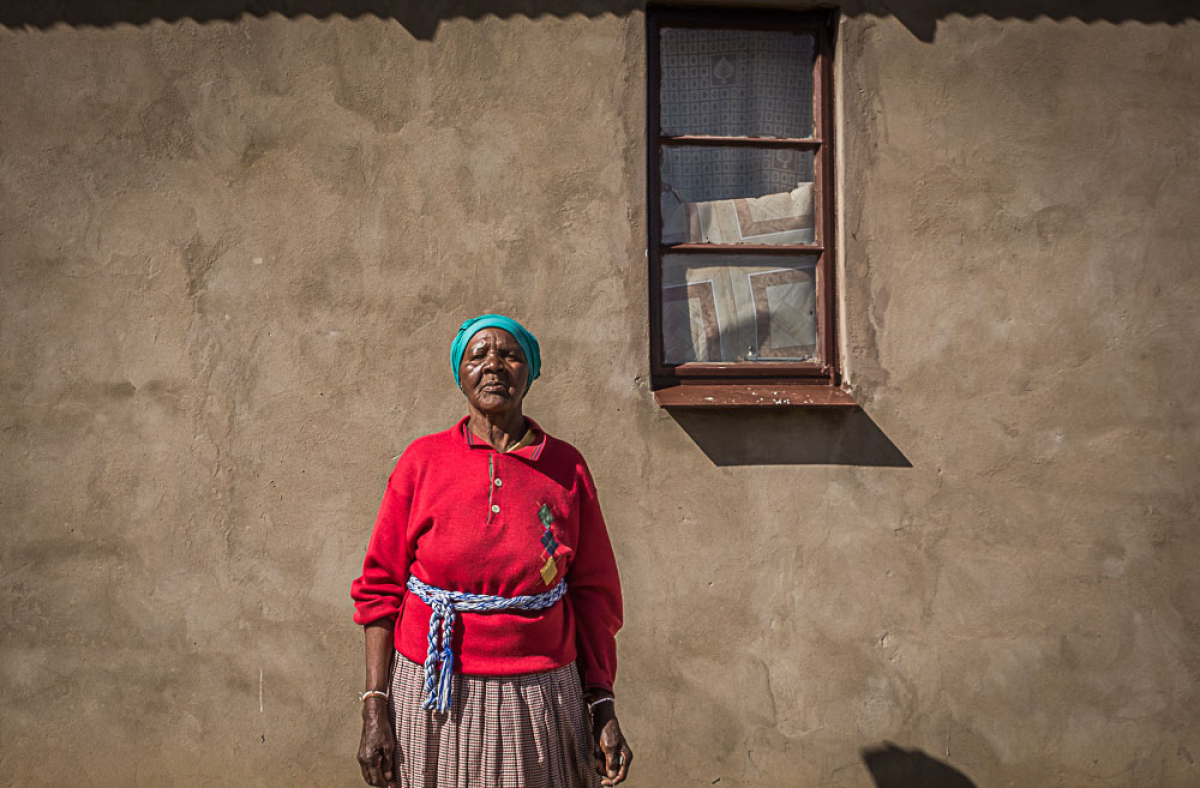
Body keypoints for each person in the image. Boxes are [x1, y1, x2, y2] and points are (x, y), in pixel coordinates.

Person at [352, 314, 632, 788]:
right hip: (432, 693)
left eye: (510, 355)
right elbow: (379, 588)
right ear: (460, 373)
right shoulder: (423, 461)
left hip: (540, 695)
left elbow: (594, 597)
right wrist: (374, 706)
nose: (494, 366)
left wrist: (601, 703)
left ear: (531, 372)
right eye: (478, 355)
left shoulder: (567, 467)